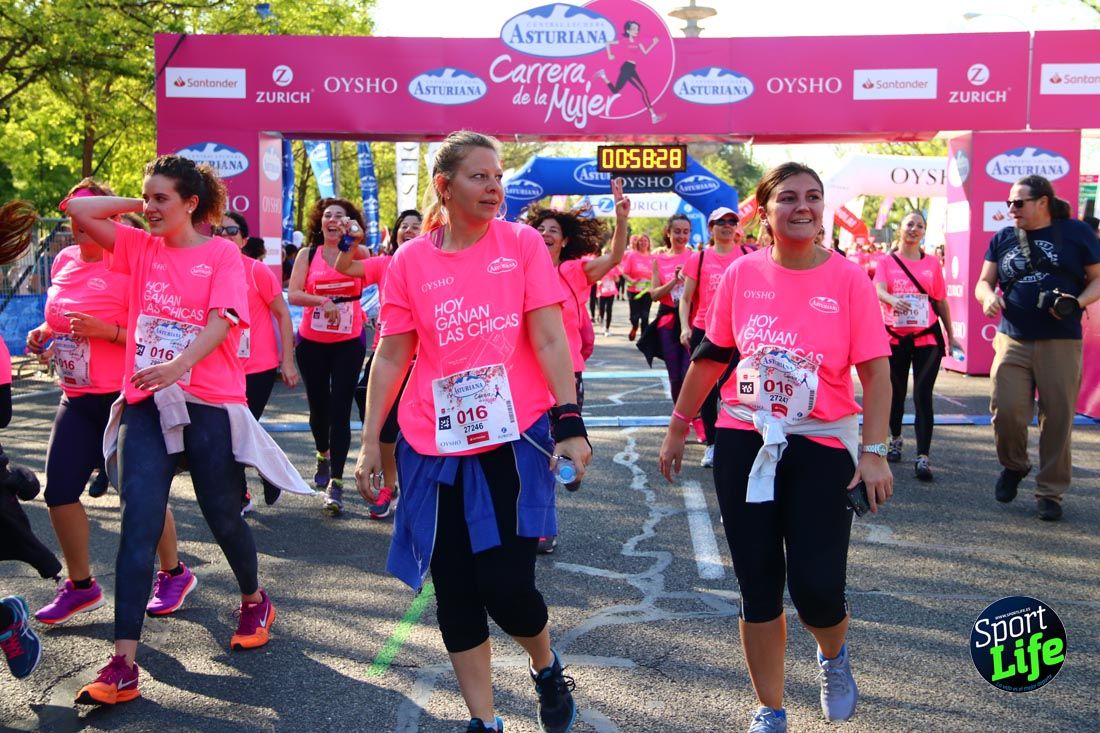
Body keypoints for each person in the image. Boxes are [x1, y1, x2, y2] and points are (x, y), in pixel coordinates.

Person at [354, 131, 589, 733]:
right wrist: (370, 441)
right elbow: (391, 355)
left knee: (507, 588)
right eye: (480, 176)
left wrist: (570, 421)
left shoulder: (522, 244)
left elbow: (547, 337)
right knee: (456, 591)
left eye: (498, 175)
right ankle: (483, 721)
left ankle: (545, 665)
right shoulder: (410, 260)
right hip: (432, 446)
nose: (494, 186)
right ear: (444, 186)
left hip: (514, 439)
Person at [65, 154, 310, 705]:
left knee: (222, 512)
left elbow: (224, 318)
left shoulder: (223, 254)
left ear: (192, 204)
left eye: (162, 200)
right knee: (138, 520)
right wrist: (139, 203)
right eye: (146, 199)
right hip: (146, 398)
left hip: (208, 400)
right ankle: (123, 663)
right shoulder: (138, 245)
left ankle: (253, 597)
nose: (149, 209)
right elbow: (77, 208)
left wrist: (179, 365)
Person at [658, 163, 893, 733]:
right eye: (788, 198)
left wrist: (875, 449)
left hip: (821, 441)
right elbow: (714, 354)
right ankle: (770, 707)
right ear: (763, 212)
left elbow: (877, 373)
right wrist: (679, 422)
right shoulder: (741, 274)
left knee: (816, 589)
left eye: (813, 197)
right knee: (758, 580)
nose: (803, 207)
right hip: (746, 436)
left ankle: (833, 655)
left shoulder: (849, 280)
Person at [28, 179, 191, 626]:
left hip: (125, 398)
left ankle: (173, 572)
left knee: (139, 494)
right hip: (77, 397)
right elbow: (59, 315)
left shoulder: (134, 262)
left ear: (110, 218)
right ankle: (82, 586)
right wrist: (46, 334)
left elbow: (156, 332)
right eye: (74, 217)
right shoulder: (63, 260)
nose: (78, 224)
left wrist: (109, 333)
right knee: (59, 493)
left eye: (89, 214)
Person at [975, 174, 1100, 521]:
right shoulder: (1003, 237)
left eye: (1019, 203)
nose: (1011, 209)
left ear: (1042, 202)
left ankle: (1050, 492)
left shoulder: (1077, 233)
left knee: (1058, 417)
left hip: (1061, 340)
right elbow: (984, 282)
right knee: (1007, 409)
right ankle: (1014, 465)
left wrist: (1077, 301)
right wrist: (987, 297)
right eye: (1009, 203)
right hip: (1012, 336)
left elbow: (1098, 277)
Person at [524, 185, 629, 554]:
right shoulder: (517, 270)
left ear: (564, 240)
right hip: (527, 376)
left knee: (558, 449)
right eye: (541, 229)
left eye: (554, 230)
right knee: (539, 453)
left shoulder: (573, 272)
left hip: (567, 376)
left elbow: (616, 256)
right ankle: (543, 526)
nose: (546, 234)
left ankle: (571, 458)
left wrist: (620, 219)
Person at [339, 208, 423, 520]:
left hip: (425, 358)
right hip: (386, 354)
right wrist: (350, 240)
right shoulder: (385, 264)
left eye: (417, 226)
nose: (410, 230)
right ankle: (390, 485)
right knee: (384, 426)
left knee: (421, 428)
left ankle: (417, 488)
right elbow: (343, 266)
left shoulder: (434, 262)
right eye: (405, 226)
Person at [288, 197, 370, 515]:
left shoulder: (358, 252)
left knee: (340, 410)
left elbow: (380, 275)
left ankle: (336, 482)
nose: (333, 219)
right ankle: (322, 453)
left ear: (348, 224)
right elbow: (294, 293)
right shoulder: (308, 255)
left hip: (349, 341)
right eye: (328, 215)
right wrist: (322, 302)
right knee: (318, 409)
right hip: (312, 342)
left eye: (341, 216)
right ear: (321, 223)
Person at [216, 211, 300, 513]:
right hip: (221, 367)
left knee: (236, 432)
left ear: (244, 239)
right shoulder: (208, 271)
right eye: (218, 231)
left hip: (258, 367)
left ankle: (243, 494)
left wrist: (287, 362)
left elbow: (282, 315)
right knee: (230, 432)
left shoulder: (256, 272)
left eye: (231, 230)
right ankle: (261, 478)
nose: (224, 236)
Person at [873, 211, 962, 482]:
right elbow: (877, 288)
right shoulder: (887, 261)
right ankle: (896, 438)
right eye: (909, 224)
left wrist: (951, 334)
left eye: (919, 226)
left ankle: (923, 456)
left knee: (923, 394)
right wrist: (891, 299)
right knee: (896, 392)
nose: (914, 229)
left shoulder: (932, 264)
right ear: (900, 229)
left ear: (924, 232)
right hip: (895, 337)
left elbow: (940, 300)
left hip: (927, 337)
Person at [678, 207, 749, 468]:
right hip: (705, 331)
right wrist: (684, 326)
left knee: (744, 387)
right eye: (721, 222)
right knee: (707, 390)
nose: (727, 226)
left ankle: (745, 440)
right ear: (711, 228)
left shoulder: (747, 255)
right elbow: (685, 299)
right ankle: (712, 444)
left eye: (732, 221)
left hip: (741, 332)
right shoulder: (698, 259)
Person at [649, 214, 698, 437]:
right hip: (668, 321)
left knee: (690, 373)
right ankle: (681, 420)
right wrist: (675, 280)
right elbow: (654, 295)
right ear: (668, 233)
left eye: (685, 231)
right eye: (676, 231)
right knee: (675, 375)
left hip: (692, 320)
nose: (681, 235)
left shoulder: (697, 257)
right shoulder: (659, 260)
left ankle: (696, 419)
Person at [595, 20, 663, 124]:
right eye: (634, 29)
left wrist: (653, 43)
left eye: (637, 29)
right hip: (627, 68)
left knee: (615, 91)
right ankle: (653, 116)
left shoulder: (638, 41)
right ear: (628, 30)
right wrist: (609, 55)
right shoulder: (624, 41)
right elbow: (608, 42)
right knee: (643, 91)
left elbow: (645, 52)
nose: (636, 31)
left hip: (630, 68)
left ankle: (603, 75)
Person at [622, 234, 654, 341]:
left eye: (645, 241)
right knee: (634, 317)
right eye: (641, 241)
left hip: (647, 291)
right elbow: (624, 273)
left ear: (649, 243)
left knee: (645, 316)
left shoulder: (652, 258)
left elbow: (657, 275)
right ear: (637, 243)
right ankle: (635, 326)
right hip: (633, 290)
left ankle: (643, 340)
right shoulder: (632, 256)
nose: (643, 243)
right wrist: (631, 280)